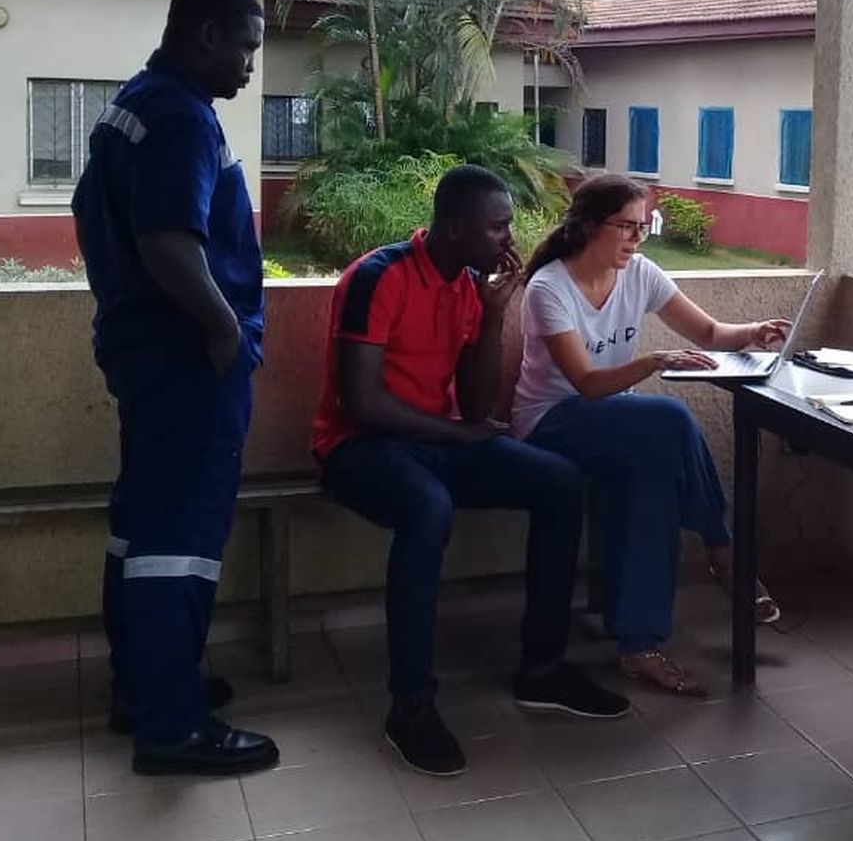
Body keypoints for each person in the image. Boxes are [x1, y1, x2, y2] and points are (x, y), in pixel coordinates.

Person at [311, 164, 631, 777]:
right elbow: (364, 403)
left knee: (559, 482)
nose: (509, 240)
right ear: (454, 227)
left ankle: (541, 669)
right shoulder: (378, 277)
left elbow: (479, 406)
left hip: (437, 440)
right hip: (359, 447)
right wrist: (459, 432)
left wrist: (490, 317)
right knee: (426, 507)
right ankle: (410, 704)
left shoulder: (467, 286)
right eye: (497, 227)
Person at [71, 0, 278, 776]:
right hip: (187, 358)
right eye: (246, 47)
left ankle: (144, 685)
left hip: (144, 350)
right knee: (179, 541)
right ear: (204, 36)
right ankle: (172, 724)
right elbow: (167, 243)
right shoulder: (181, 118)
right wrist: (224, 333)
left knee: (140, 529)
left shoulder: (135, 103)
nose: (251, 66)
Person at [511, 174, 786, 696]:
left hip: (616, 422)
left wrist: (753, 332)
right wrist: (654, 362)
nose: (637, 240)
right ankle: (724, 550)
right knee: (671, 419)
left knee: (652, 481)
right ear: (590, 225)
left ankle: (639, 645)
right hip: (552, 422)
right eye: (627, 228)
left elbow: (707, 333)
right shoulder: (550, 287)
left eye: (644, 228)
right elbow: (588, 386)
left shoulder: (640, 273)